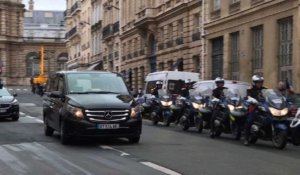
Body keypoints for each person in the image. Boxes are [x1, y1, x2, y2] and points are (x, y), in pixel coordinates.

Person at [244, 75, 267, 146]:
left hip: (264, 107)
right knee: (250, 120)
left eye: (261, 82)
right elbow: (248, 97)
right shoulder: (250, 89)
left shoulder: (265, 89)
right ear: (254, 82)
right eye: (258, 82)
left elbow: (270, 95)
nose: (260, 83)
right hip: (254, 107)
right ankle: (246, 139)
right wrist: (252, 100)